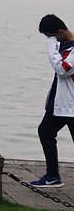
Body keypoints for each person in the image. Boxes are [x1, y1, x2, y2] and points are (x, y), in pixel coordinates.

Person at [32, 14, 74, 188]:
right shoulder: (62, 45)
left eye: (51, 36)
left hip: (71, 106)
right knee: (45, 132)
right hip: (59, 104)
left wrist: (50, 46)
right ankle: (52, 175)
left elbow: (63, 69)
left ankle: (53, 175)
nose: (50, 40)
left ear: (60, 31)